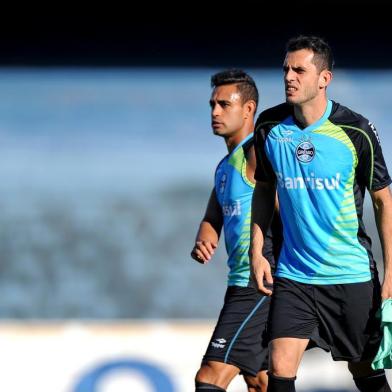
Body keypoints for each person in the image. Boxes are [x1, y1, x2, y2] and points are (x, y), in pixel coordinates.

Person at [250, 35, 392, 392]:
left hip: (349, 274)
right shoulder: (269, 127)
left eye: (299, 70)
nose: (289, 77)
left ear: (324, 79)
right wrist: (257, 252)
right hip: (294, 277)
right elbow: (264, 189)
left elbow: (383, 202)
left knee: (365, 372)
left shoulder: (355, 130)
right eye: (285, 69)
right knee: (279, 370)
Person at [191, 69, 282, 392]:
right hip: (240, 281)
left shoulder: (257, 152)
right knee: (259, 380)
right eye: (212, 104)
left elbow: (289, 212)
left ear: (248, 109)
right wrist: (206, 235)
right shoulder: (225, 165)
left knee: (210, 376)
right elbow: (213, 214)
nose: (215, 112)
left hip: (258, 283)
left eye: (224, 104)